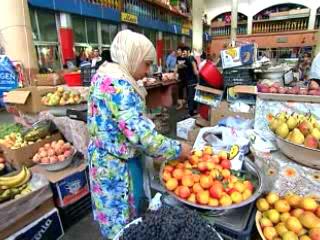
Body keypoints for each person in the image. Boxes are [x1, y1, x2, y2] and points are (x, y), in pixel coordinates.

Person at [87, 30, 191, 239]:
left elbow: (116, 120)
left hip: (102, 161)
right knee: (124, 227)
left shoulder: (104, 73)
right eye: (146, 64)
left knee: (111, 221)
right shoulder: (120, 85)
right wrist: (179, 149)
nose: (148, 70)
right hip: (117, 169)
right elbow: (142, 138)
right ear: (131, 57)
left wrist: (142, 121)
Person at [184, 47, 199, 116]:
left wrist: (198, 80)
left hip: (192, 81)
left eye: (184, 52)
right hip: (191, 80)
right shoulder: (187, 59)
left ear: (188, 52)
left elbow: (195, 71)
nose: (183, 53)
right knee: (192, 96)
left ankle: (191, 113)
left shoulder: (190, 58)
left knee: (191, 97)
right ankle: (194, 111)